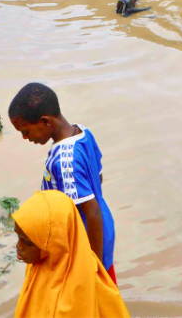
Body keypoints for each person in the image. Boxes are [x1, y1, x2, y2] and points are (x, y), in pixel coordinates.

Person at [9, 83, 117, 284]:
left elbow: (91, 212)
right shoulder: (83, 133)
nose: (25, 137)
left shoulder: (65, 161)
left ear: (45, 122)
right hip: (103, 232)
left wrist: (93, 268)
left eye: (25, 131)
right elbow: (98, 179)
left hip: (85, 244)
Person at [12, 190, 129, 318]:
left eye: (26, 242)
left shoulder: (79, 291)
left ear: (54, 244)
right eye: (18, 236)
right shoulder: (37, 265)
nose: (18, 246)